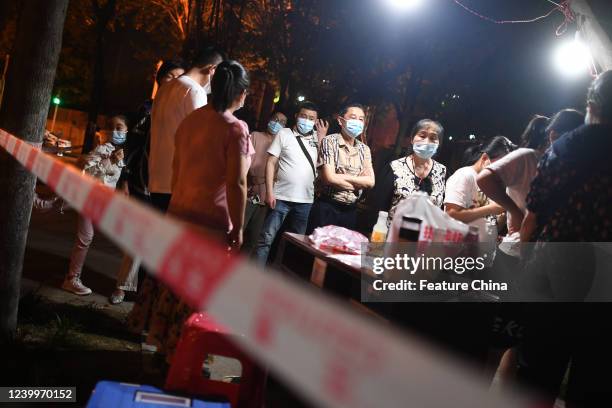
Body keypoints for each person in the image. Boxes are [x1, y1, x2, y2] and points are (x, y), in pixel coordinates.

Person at [129, 60, 254, 360]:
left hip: (178, 213)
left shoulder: (191, 121)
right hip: (210, 223)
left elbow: (176, 168)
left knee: (173, 289)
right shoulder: (235, 129)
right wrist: (237, 227)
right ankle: (185, 357)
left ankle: (162, 350)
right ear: (240, 93)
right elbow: (237, 183)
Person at [516, 71, 612, 407]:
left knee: (536, 373)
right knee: (594, 381)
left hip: (552, 270)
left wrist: (523, 263)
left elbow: (534, 214)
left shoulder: (563, 148)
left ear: (591, 104)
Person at [109, 59, 186, 305]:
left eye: (180, 78)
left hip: (170, 189)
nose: (175, 82)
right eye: (170, 77)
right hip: (143, 184)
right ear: (160, 80)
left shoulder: (184, 111)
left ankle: (146, 297)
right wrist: (124, 177)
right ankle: (123, 287)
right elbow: (133, 143)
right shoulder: (148, 109)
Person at [148, 47, 223, 212]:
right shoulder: (195, 91)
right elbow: (201, 141)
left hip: (156, 179)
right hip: (178, 182)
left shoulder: (165, 89)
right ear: (212, 69)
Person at [253, 101, 328, 265]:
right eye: (303, 116)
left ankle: (283, 278)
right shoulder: (284, 134)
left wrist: (322, 138)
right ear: (296, 116)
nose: (306, 120)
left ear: (316, 121)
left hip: (305, 202)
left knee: (295, 244)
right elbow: (271, 163)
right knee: (266, 238)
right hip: (280, 197)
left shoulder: (319, 139)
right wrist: (270, 192)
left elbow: (324, 166)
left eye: (311, 118)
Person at [62, 115, 128, 295]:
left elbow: (115, 180)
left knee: (86, 237)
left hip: (101, 202)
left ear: (127, 131)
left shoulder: (119, 151)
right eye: (110, 126)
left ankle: (73, 278)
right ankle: (71, 279)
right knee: (85, 238)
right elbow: (87, 171)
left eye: (119, 127)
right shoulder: (104, 149)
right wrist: (110, 161)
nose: (115, 130)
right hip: (88, 199)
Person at [306, 103, 374, 234]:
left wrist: (340, 177)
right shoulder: (329, 141)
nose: (358, 122)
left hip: (350, 211)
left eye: (361, 119)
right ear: (340, 120)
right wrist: (357, 183)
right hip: (327, 207)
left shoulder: (365, 149)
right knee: (315, 250)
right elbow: (329, 177)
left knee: (341, 252)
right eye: (353, 117)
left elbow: (370, 182)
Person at [374, 119, 447, 226]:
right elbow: (379, 207)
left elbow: (442, 211)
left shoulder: (443, 172)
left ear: (439, 144)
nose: (427, 141)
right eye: (422, 136)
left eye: (433, 138)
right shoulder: (395, 167)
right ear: (412, 139)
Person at [444, 136, 515, 243]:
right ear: (485, 158)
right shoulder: (465, 175)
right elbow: (451, 215)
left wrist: (502, 217)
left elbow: (488, 223)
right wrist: (492, 208)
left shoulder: (490, 183)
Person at [242, 111, 288, 254]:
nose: (277, 123)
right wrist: (249, 176)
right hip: (247, 194)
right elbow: (244, 159)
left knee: (254, 239)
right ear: (269, 119)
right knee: (238, 231)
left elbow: (279, 173)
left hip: (265, 199)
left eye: (281, 122)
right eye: (275, 119)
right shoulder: (255, 136)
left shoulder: (282, 146)